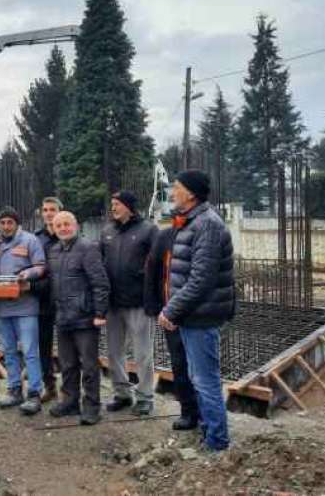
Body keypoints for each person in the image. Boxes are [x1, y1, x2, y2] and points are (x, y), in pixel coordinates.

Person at [158, 169, 235, 452]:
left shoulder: (207, 224)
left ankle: (217, 443)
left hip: (201, 315)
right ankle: (208, 432)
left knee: (205, 380)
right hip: (192, 314)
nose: (171, 192)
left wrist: (171, 311)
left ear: (190, 193)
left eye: (176, 188)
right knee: (198, 378)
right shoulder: (191, 222)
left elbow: (200, 279)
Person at [46, 211, 110, 425]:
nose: (63, 228)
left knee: (89, 365)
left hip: (84, 317)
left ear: (76, 225)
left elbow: (100, 282)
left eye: (67, 224)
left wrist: (100, 313)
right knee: (67, 363)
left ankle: (92, 407)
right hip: (63, 317)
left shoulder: (88, 248)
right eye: (59, 225)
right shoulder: (54, 250)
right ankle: (70, 402)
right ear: (54, 229)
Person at [100, 190, 158, 416]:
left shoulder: (148, 230)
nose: (113, 208)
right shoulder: (107, 232)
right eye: (112, 204)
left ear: (129, 207)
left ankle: (144, 397)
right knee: (114, 352)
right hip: (114, 303)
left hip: (138, 303)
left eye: (117, 204)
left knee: (143, 353)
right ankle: (122, 394)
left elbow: (158, 264)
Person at [0, 206, 46, 416]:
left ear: (17, 223)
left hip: (25, 306)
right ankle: (14, 390)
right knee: (9, 351)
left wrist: (25, 275)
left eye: (9, 222)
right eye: (2, 223)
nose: (6, 226)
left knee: (30, 351)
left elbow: (41, 266)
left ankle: (34, 393)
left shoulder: (30, 241)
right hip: (2, 307)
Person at [144, 222, 200, 431]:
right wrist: (153, 304)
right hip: (172, 313)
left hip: (199, 313)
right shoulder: (166, 235)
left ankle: (205, 412)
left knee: (202, 366)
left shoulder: (204, 234)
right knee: (179, 364)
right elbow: (152, 269)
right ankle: (188, 411)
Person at [28, 196, 63, 403]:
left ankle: (72, 388)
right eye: (45, 209)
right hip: (42, 300)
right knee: (44, 346)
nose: (49, 213)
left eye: (52, 209)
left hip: (66, 300)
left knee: (71, 347)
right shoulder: (35, 238)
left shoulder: (68, 234)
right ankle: (49, 386)